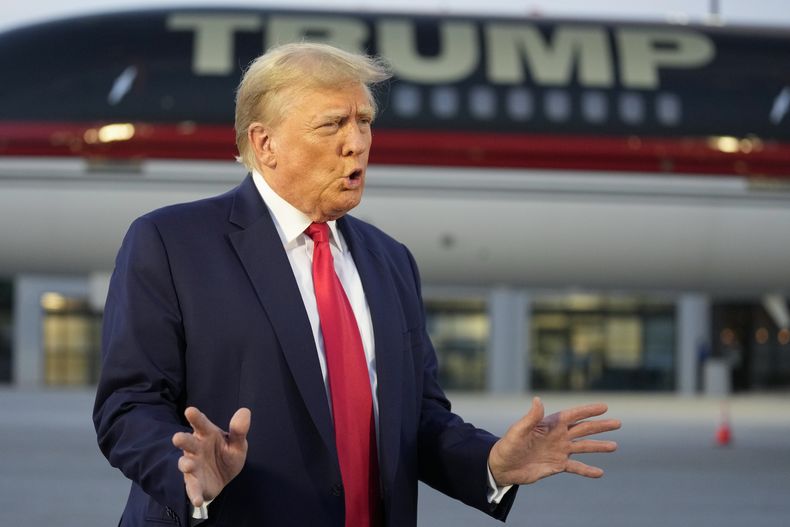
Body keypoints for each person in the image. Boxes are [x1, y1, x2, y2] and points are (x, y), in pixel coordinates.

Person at [93, 42, 620, 527]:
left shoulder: (390, 260)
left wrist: (490, 462)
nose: (357, 143)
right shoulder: (171, 242)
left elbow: (418, 418)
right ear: (265, 142)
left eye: (364, 121)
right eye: (332, 125)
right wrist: (185, 472)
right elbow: (129, 405)